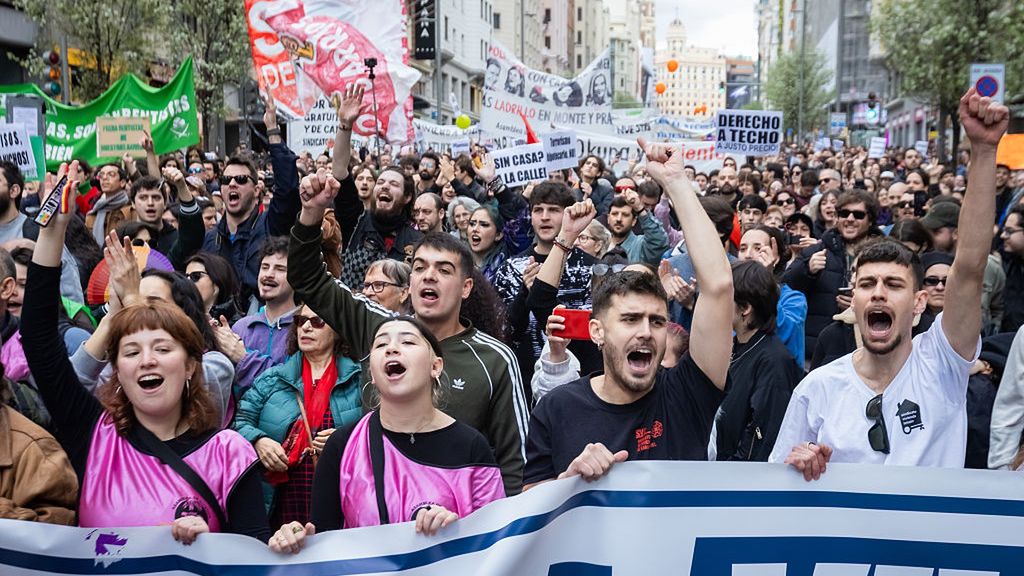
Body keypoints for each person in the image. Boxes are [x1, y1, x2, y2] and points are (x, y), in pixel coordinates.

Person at [21, 162, 269, 542]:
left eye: (162, 348)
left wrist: (213, 545)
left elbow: (253, 559)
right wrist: (53, 230)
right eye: (131, 351)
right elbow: (38, 340)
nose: (147, 360)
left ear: (190, 365)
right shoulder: (95, 437)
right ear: (117, 370)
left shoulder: (229, 455)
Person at [769, 88, 1008, 479]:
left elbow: (969, 267)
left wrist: (982, 152)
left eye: (894, 285)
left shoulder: (942, 365)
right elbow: (778, 482)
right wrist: (800, 466)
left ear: (919, 303)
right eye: (868, 284)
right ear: (852, 300)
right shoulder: (818, 388)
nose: (878, 291)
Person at [289, 169, 528, 496]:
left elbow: (514, 465)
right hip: (372, 508)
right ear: (409, 283)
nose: (429, 277)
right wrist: (311, 215)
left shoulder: (495, 360)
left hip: (455, 523)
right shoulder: (376, 326)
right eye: (419, 268)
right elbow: (308, 281)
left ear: (466, 287)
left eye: (444, 270)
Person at [523, 138, 734, 487]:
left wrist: (677, 183)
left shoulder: (687, 394)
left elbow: (719, 286)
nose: (646, 332)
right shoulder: (558, 407)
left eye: (657, 321)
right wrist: (569, 482)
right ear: (596, 331)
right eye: (630, 319)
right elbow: (529, 502)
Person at [267, 317, 505, 550]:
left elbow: (496, 547)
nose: (392, 349)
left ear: (436, 366)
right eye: (381, 344)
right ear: (371, 371)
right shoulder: (343, 444)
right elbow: (324, 547)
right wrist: (295, 540)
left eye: (408, 342)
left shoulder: (472, 446)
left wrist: (455, 531)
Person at [234, 304, 363, 526]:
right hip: (280, 500)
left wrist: (343, 440)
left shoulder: (360, 381)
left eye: (317, 322)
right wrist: (259, 440)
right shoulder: (272, 379)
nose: (306, 327)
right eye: (301, 321)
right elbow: (239, 421)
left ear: (338, 330)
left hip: (338, 500)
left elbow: (379, 430)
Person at [201, 97, 301, 307]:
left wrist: (272, 129)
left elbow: (288, 189)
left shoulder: (270, 226)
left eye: (241, 179)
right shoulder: (211, 240)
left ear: (257, 190)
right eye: (227, 180)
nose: (233, 184)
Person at [710, 260, 802, 461]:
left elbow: (763, 435)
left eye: (725, 298)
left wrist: (734, 472)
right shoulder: (731, 347)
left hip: (743, 482)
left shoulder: (774, 361)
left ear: (745, 308)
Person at [783, 190, 882, 356]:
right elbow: (786, 285)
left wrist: (860, 303)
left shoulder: (884, 254)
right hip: (819, 347)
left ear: (870, 220)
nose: (850, 219)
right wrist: (807, 270)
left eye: (858, 215)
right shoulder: (818, 251)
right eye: (844, 213)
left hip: (867, 346)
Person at [216, 237, 301, 394]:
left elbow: (290, 384)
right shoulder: (241, 327)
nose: (268, 274)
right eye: (264, 267)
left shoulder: (304, 327)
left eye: (280, 269)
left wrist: (243, 358)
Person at [605, 193, 668, 266]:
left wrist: (640, 209)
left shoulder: (640, 246)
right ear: (608, 218)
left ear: (634, 221)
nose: (619, 219)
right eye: (615, 214)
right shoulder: (598, 243)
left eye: (625, 215)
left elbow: (659, 240)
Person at [185, 252, 243, 323]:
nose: (188, 281)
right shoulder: (179, 317)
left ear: (217, 280)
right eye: (185, 277)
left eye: (195, 276)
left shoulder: (239, 326)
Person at [468, 205, 509, 283]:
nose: (475, 229)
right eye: (472, 224)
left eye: (484, 225)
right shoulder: (460, 261)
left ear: (498, 235)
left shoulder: (505, 269)